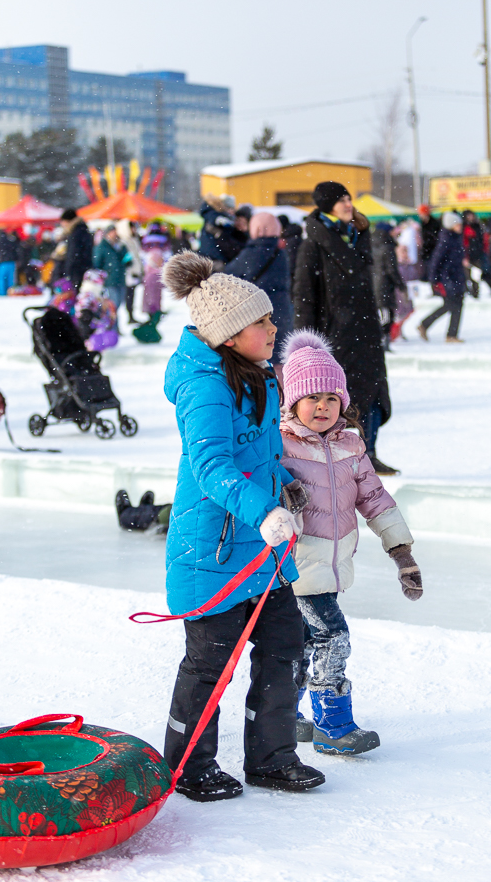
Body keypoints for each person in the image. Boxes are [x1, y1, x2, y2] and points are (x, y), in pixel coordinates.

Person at [160, 251, 325, 802]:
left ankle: (272, 757)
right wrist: (264, 510)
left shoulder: (259, 376)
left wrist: (287, 486)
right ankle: (186, 767)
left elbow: (261, 453)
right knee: (210, 667)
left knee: (285, 648)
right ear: (230, 335)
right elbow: (214, 469)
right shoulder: (204, 387)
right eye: (263, 322)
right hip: (214, 549)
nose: (274, 328)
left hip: (263, 551)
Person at [280, 330, 421, 755]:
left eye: (330, 398)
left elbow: (375, 499)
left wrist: (402, 553)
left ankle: (283, 714)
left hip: (332, 564)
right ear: (292, 402)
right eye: (311, 398)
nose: (321, 407)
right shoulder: (279, 444)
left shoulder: (351, 444)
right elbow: (259, 488)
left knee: (300, 645)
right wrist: (282, 489)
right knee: (331, 637)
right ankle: (333, 724)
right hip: (293, 566)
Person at [294, 181, 396, 475]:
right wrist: (307, 346)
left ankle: (369, 452)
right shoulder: (312, 245)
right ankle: (341, 458)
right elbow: (304, 299)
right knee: (341, 397)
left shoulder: (357, 236)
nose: (348, 204)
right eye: (341, 200)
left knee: (373, 392)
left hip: (365, 332)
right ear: (327, 206)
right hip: (335, 336)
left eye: (349, 198)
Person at [224, 210, 293, 365]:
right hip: (282, 310)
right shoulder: (281, 253)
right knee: (279, 359)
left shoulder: (252, 253)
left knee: (259, 361)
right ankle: (280, 388)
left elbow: (228, 275)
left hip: (259, 313)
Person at [418, 212, 469, 344]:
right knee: (452, 305)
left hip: (456, 277)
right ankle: (428, 326)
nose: (460, 227)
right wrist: (434, 280)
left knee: (455, 305)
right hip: (447, 279)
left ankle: (449, 333)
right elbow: (436, 261)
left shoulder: (455, 238)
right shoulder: (446, 240)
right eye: (457, 224)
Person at [371, 222, 405, 350]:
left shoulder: (372, 245)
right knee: (386, 318)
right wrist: (401, 285)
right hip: (384, 286)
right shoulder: (387, 247)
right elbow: (392, 270)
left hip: (375, 286)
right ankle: (382, 345)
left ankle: (381, 344)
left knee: (382, 316)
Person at [198, 193, 247, 268]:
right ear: (224, 207)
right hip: (214, 257)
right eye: (229, 208)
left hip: (215, 256)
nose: (232, 212)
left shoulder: (227, 221)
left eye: (233, 209)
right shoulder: (217, 217)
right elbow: (211, 215)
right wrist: (217, 220)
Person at [92, 224, 131, 313]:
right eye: (113, 232)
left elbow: (126, 259)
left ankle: (114, 325)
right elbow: (97, 264)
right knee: (112, 305)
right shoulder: (102, 247)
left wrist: (123, 249)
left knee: (119, 303)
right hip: (109, 281)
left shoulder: (119, 246)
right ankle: (112, 325)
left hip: (120, 279)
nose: (115, 234)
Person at [53, 209, 94, 290]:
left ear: (68, 221)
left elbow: (73, 254)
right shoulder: (83, 230)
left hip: (77, 271)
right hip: (84, 268)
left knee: (74, 294)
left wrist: (68, 272)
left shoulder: (75, 233)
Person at [463, 210, 491, 297]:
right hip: (468, 254)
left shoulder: (477, 226)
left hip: (478, 253)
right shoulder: (465, 228)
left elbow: (481, 240)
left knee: (478, 274)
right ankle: (472, 291)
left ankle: (475, 292)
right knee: (468, 275)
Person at [117, 220, 144, 324]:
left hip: (135, 271)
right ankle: (129, 315)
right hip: (129, 273)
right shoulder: (124, 241)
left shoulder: (134, 239)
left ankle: (131, 315)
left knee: (132, 295)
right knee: (128, 295)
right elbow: (127, 258)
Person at [0, 229, 20, 295]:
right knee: (11, 279)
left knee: (1, 279)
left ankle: (2, 293)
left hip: (2, 262)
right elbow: (16, 251)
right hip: (11, 262)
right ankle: (11, 292)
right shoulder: (11, 241)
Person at [418, 205, 440, 281]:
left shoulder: (434, 224)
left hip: (433, 250)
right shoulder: (423, 223)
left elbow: (435, 238)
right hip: (427, 251)